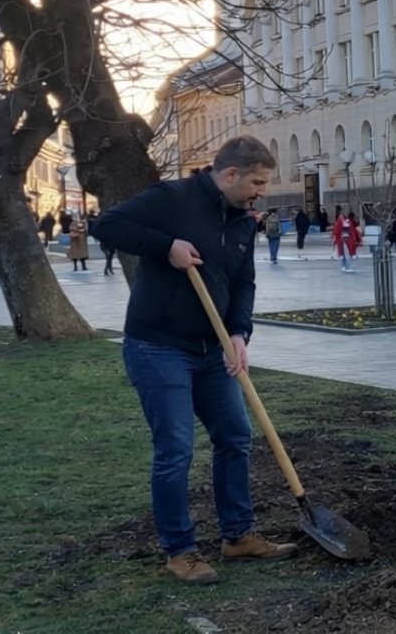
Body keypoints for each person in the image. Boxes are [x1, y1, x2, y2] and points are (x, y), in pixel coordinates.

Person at [90, 136, 296, 585]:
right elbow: (106, 226)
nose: (262, 190)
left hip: (213, 347)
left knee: (235, 437)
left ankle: (238, 536)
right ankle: (180, 550)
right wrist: (166, 246)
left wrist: (239, 333)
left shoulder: (242, 218)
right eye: (257, 182)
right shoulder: (172, 199)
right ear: (229, 175)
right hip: (158, 346)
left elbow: (244, 282)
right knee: (176, 450)